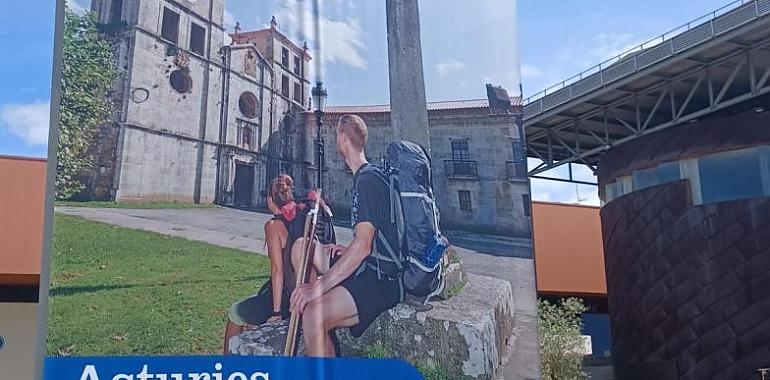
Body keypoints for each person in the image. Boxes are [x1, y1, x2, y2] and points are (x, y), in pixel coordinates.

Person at [289, 114, 402, 357]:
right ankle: (315, 318)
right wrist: (346, 249)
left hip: (381, 278)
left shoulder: (368, 181)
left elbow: (363, 247)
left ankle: (315, 311)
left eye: (335, 137)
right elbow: (367, 238)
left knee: (313, 316)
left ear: (342, 138)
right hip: (366, 265)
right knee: (302, 247)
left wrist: (318, 287)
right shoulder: (366, 176)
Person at [223, 174, 297, 353]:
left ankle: (225, 366)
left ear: (271, 200)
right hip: (296, 291)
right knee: (250, 323)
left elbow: (277, 269)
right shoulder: (295, 221)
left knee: (235, 313)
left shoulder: (273, 226)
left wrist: (277, 311)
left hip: (284, 296)